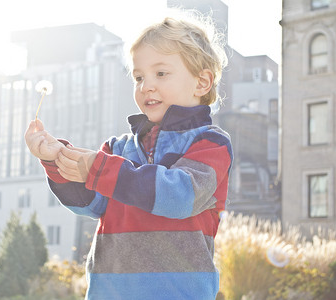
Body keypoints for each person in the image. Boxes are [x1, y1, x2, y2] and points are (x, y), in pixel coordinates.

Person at [25, 10, 233, 300]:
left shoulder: (210, 143)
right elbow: (90, 204)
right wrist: (57, 161)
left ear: (201, 82)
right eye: (138, 77)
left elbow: (180, 196)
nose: (146, 85)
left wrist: (99, 169)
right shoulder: (118, 148)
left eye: (161, 73)